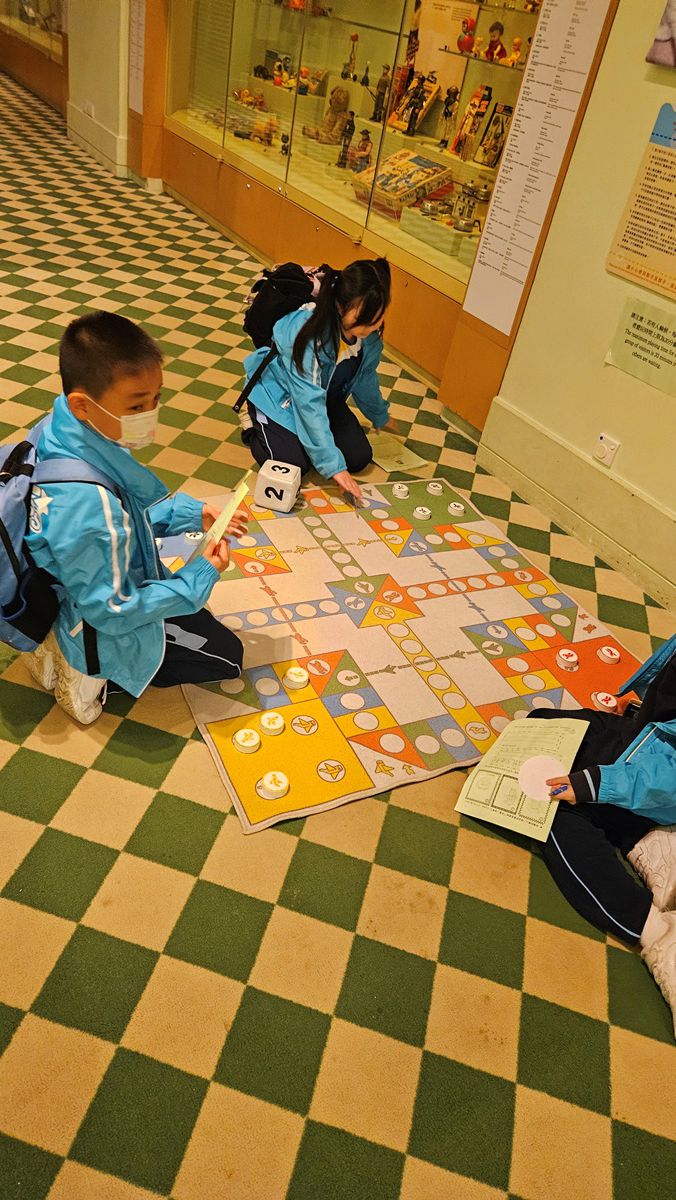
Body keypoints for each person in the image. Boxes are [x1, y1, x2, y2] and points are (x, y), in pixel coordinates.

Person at [24, 312, 247, 725]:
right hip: (95, 618)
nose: (151, 413)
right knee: (227, 656)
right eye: (137, 405)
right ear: (82, 404)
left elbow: (124, 512)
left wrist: (193, 513)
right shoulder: (88, 507)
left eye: (156, 399)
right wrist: (199, 576)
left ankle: (58, 639)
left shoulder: (60, 429)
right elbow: (112, 609)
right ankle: (82, 669)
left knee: (195, 615)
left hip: (65, 585)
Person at [533, 636, 676, 1034]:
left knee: (549, 810)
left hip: (662, 776)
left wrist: (597, 784)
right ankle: (650, 838)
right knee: (539, 724)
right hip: (646, 740)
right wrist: (640, 707)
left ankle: (656, 934)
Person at [243, 258, 398, 503]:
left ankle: (309, 441)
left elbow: (365, 377)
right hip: (279, 398)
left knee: (358, 458)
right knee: (294, 464)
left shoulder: (368, 338)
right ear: (341, 305)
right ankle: (253, 422)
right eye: (365, 314)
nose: (372, 323)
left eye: (378, 315)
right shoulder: (307, 332)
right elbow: (307, 401)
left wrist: (379, 414)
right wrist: (333, 466)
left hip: (324, 398)